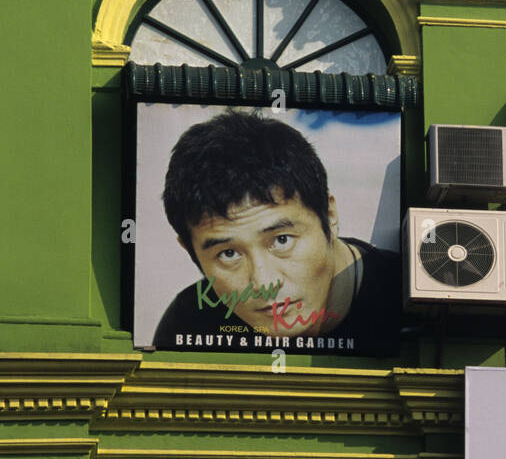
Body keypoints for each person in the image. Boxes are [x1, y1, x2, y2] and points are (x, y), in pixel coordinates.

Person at [151, 109, 400, 353]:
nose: (264, 283)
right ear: (190, 251)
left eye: (281, 241)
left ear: (329, 214)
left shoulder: (407, 302)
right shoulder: (190, 325)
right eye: (228, 254)